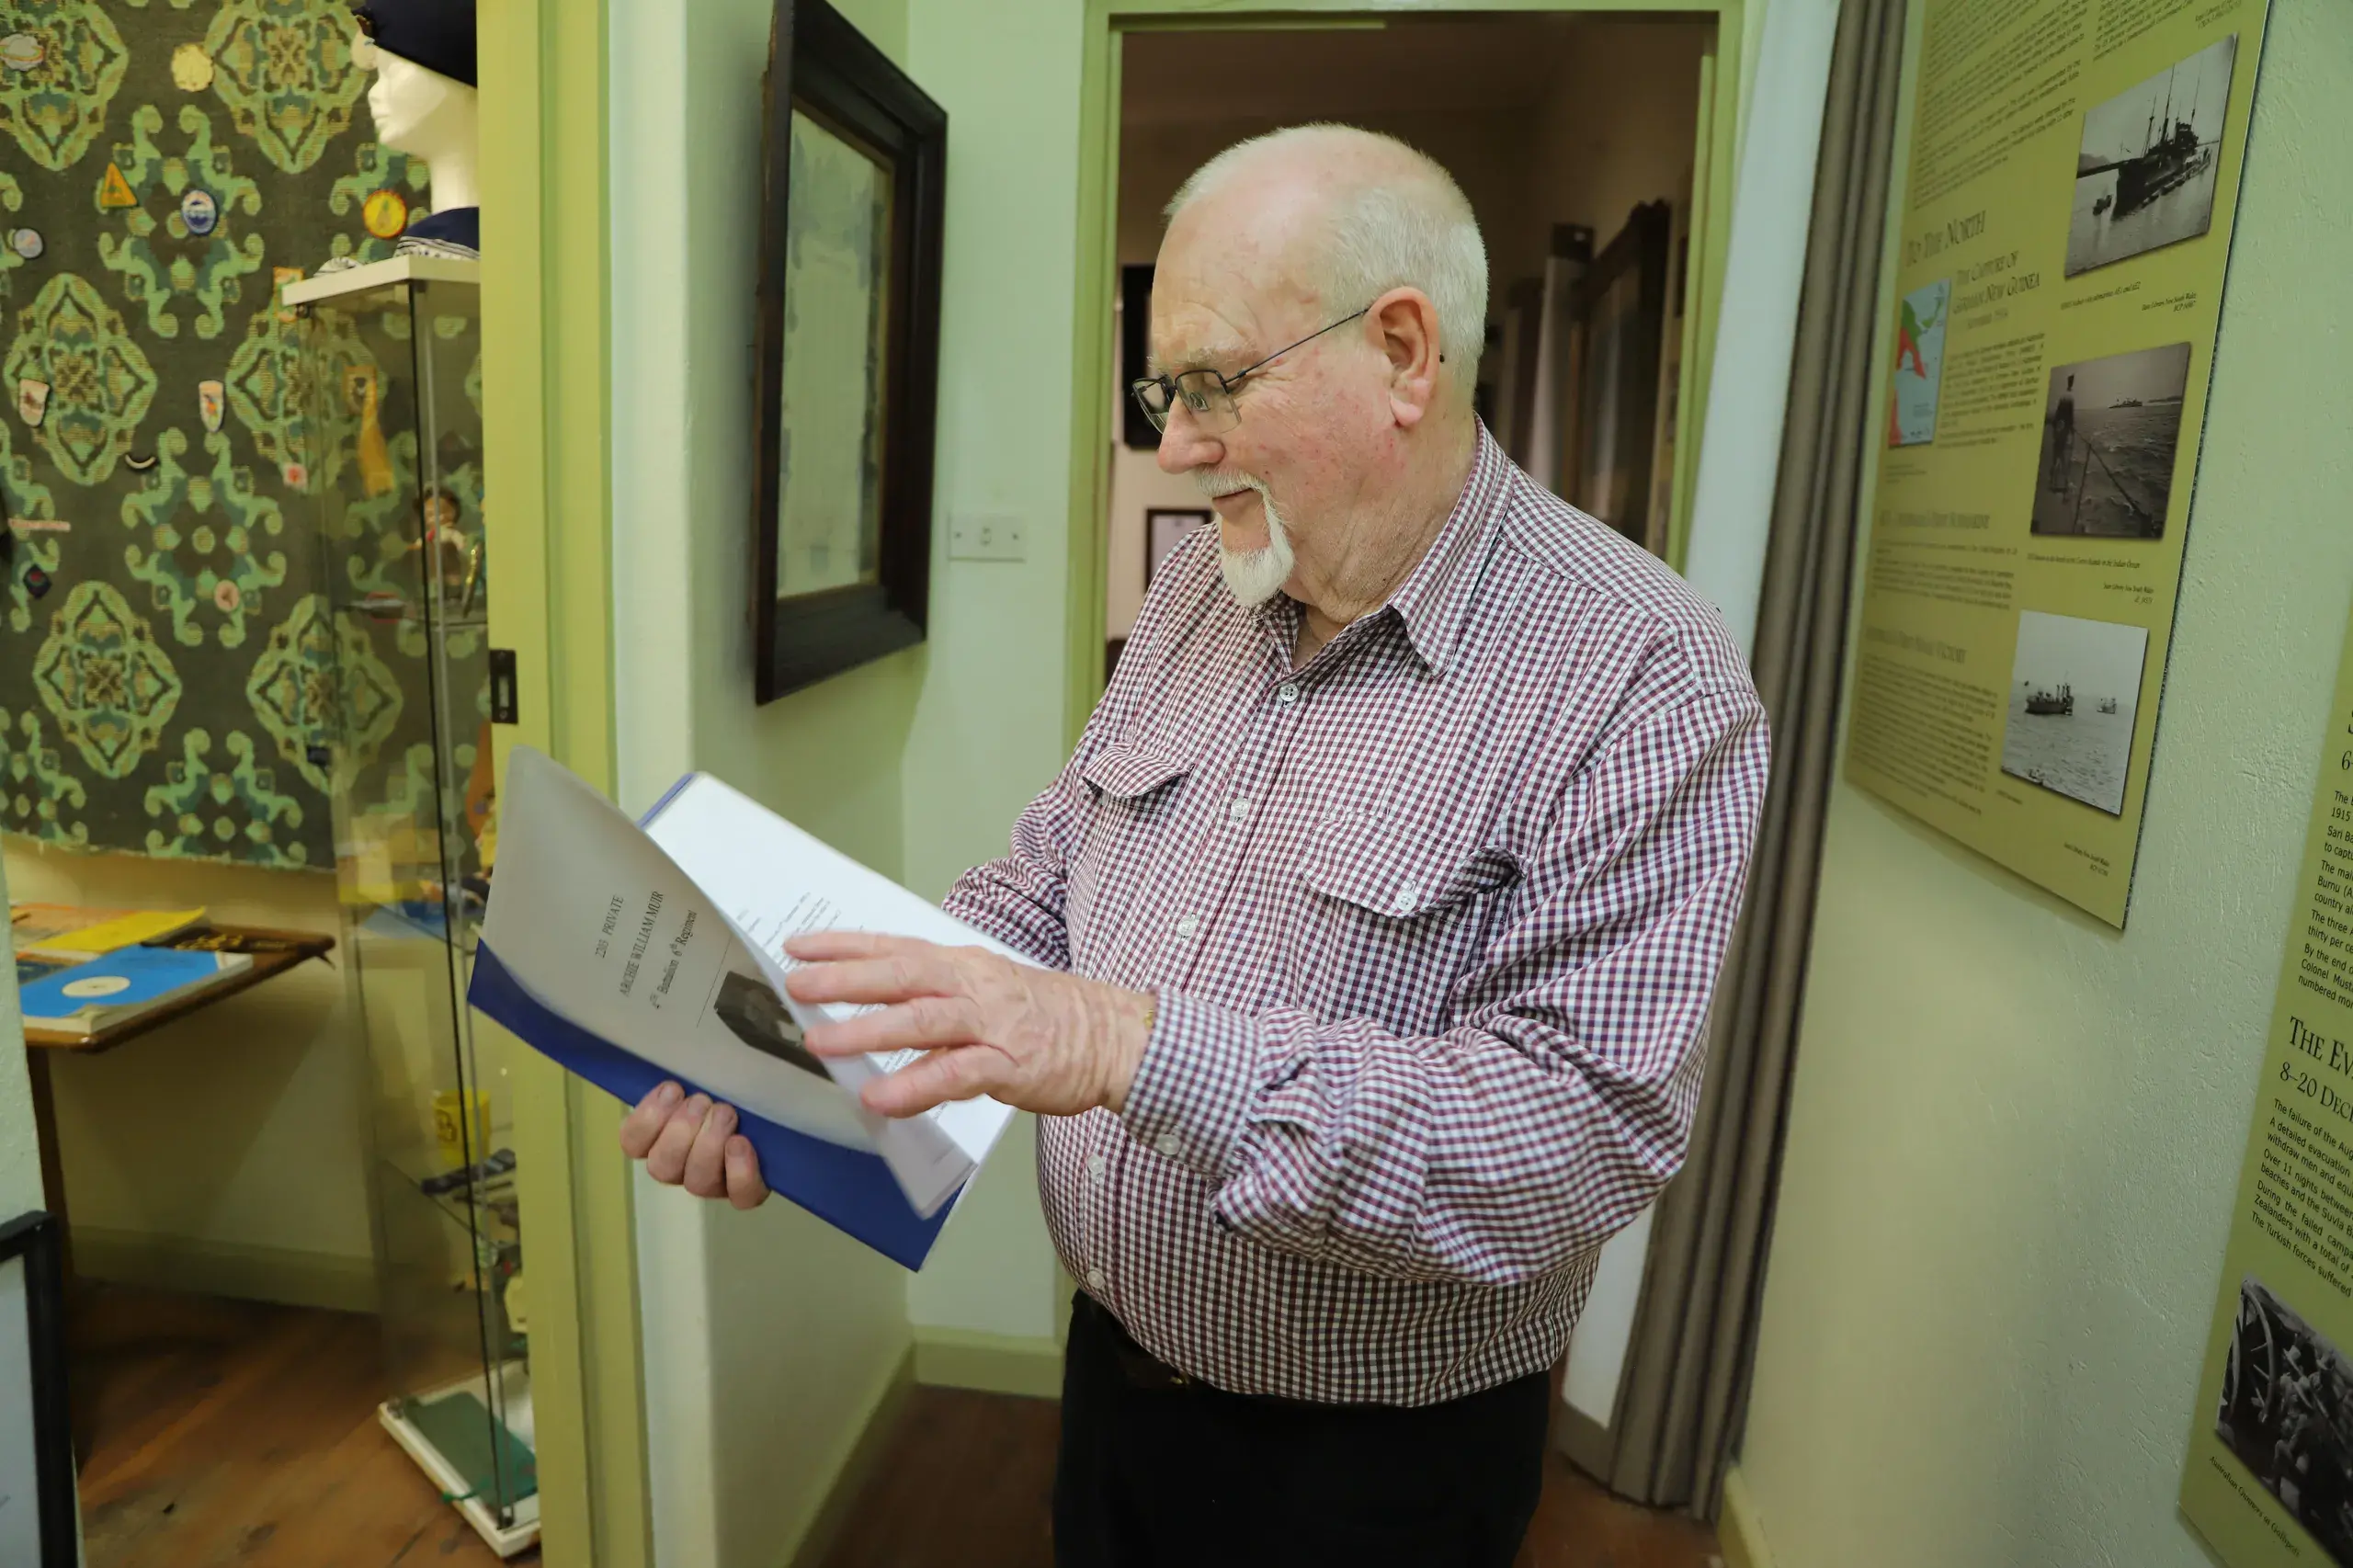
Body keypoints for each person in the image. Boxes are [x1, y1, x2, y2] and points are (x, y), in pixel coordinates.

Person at [620, 123, 1769, 1567]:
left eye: (1216, 382)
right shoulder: (1206, 590)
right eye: (1169, 389)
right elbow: (1048, 879)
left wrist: (1128, 1048)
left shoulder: (1640, 669)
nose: (1174, 442)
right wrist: (804, 1050)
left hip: (1372, 1467)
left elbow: (1574, 1130)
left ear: (1404, 353)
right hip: (1112, 1379)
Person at [2048, 373, 2076, 494]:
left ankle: (2052, 482)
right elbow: (2070, 416)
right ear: (2072, 384)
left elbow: (2058, 413)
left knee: (2056, 456)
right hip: (2064, 430)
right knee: (2063, 457)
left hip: (2058, 429)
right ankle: (2065, 483)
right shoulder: (2070, 397)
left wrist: (2055, 427)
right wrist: (2071, 429)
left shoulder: (2062, 396)